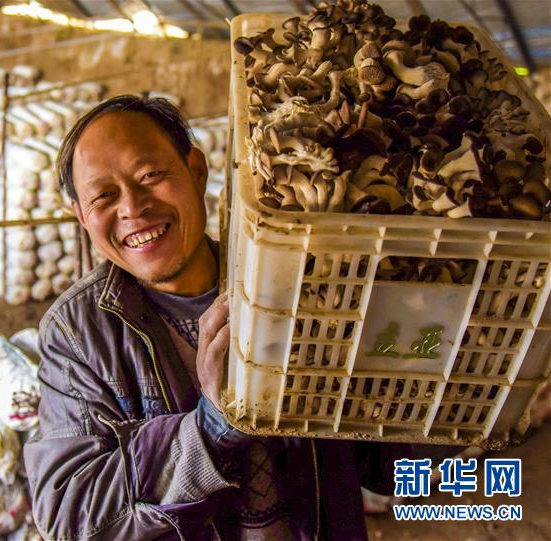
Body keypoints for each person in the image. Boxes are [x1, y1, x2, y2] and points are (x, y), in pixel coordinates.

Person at [23, 95, 457, 540]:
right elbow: (72, 517)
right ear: (81, 216)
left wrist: (432, 376)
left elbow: (389, 467)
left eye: (150, 175)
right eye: (104, 196)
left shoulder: (302, 284)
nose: (132, 208)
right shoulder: (77, 334)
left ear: (196, 169)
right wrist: (210, 428)